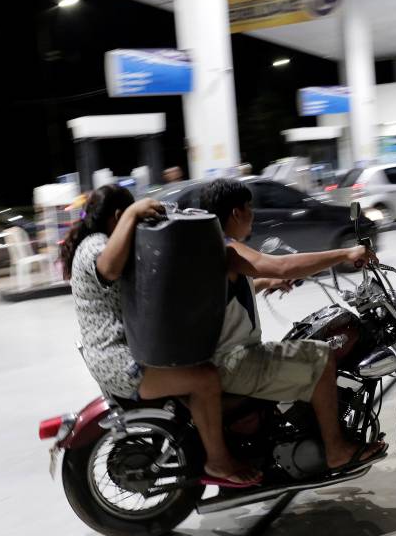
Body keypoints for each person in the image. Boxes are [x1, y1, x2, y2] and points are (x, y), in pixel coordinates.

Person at [61, 184, 260, 487]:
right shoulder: (96, 244)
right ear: (118, 216)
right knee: (205, 379)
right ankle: (218, 461)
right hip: (118, 360)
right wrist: (133, 213)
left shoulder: (104, 240)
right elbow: (109, 269)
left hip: (126, 351)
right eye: (131, 218)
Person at [200, 179, 387, 473]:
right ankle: (336, 450)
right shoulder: (229, 248)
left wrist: (264, 283)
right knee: (322, 356)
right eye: (249, 208)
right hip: (236, 360)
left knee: (306, 346)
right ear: (236, 213)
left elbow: (231, 293)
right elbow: (282, 265)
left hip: (227, 357)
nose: (252, 215)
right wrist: (345, 254)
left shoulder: (212, 248)